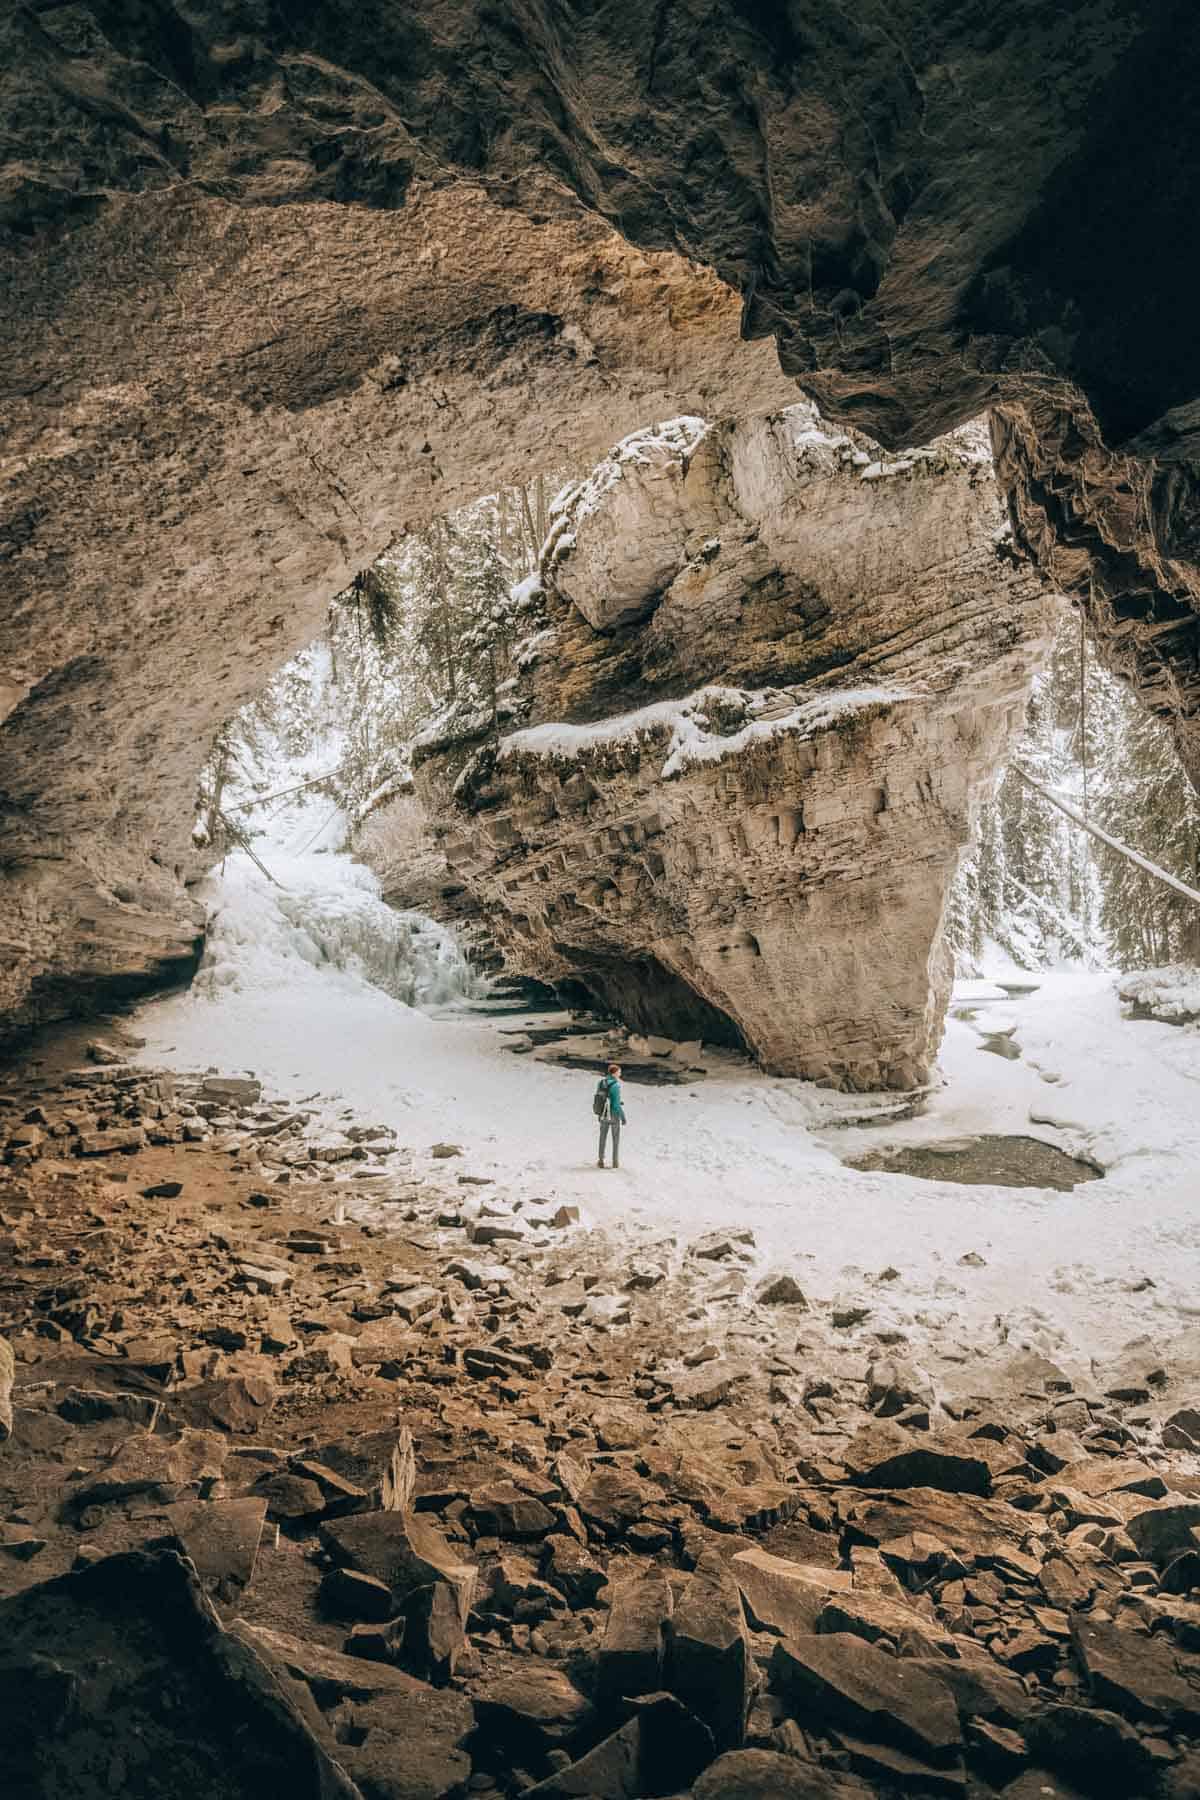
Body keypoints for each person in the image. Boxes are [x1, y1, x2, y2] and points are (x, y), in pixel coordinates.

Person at [596, 1062, 626, 1169]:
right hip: (613, 1114)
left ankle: (600, 1161)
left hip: (603, 1113)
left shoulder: (601, 1083)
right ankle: (615, 1162)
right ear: (614, 1073)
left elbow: (599, 1098)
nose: (620, 1073)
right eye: (619, 1072)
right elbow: (616, 1105)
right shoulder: (616, 1085)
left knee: (602, 1137)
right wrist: (623, 1117)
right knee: (615, 1138)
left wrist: (599, 1114)